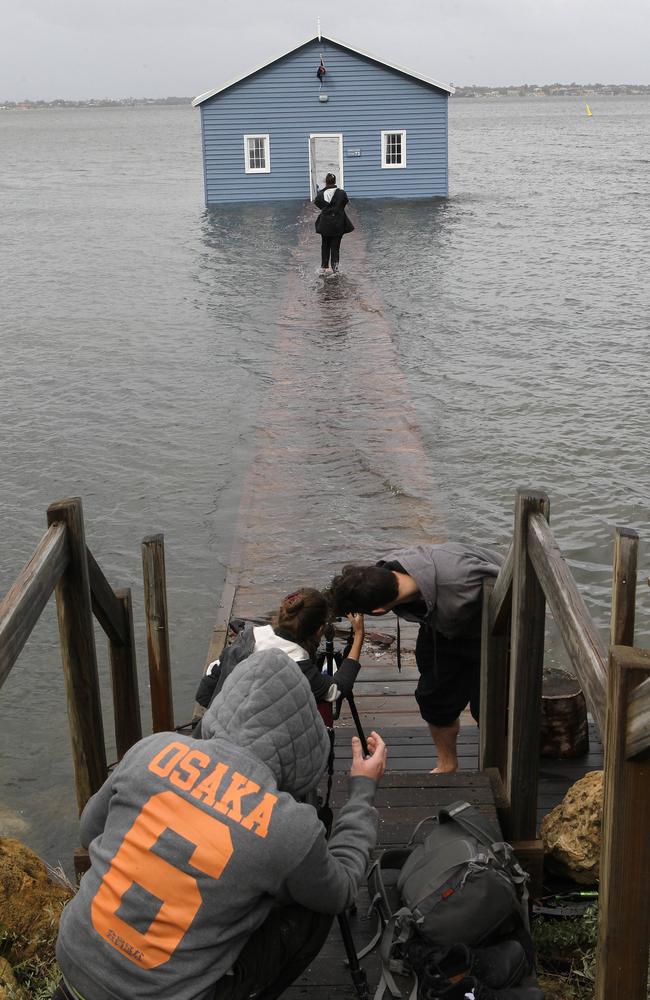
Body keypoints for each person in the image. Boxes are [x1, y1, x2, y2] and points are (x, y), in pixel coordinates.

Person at [54, 648, 387, 1000]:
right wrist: (362, 790)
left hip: (75, 960)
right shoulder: (289, 825)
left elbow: (90, 831)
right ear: (302, 745)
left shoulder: (152, 749)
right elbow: (342, 889)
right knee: (313, 906)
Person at [329, 542, 503, 773]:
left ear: (379, 611)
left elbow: (513, 585)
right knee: (434, 699)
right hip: (439, 627)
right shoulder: (385, 571)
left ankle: (499, 769)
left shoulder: (461, 580)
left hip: (491, 633)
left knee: (492, 707)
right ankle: (447, 764)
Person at [193, 587, 365, 725]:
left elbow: (204, 693)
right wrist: (358, 635)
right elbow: (337, 689)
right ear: (320, 630)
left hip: (214, 729)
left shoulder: (247, 637)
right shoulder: (300, 667)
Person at [313, 172, 354, 274]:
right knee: (335, 248)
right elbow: (344, 203)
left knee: (325, 245)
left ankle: (324, 267)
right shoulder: (342, 193)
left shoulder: (320, 194)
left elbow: (318, 204)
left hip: (325, 224)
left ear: (325, 182)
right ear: (335, 181)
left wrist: (327, 209)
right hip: (338, 224)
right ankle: (335, 269)